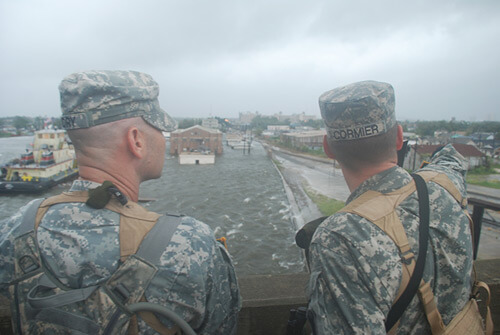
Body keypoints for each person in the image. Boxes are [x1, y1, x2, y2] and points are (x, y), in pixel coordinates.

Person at [0, 70, 241, 334]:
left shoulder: (15, 231)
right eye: (160, 129)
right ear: (136, 140)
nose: (164, 139)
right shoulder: (191, 244)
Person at [306, 81, 473, 334]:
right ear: (398, 137)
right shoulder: (446, 186)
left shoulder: (339, 237)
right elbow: (451, 159)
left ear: (328, 149)